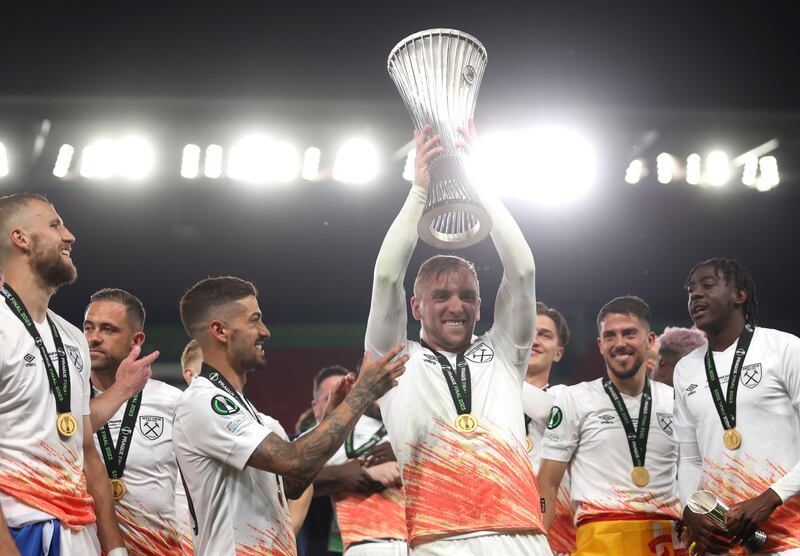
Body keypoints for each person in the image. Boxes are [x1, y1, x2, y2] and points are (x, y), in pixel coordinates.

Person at [365, 122, 550, 555]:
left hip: (522, 539)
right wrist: (418, 193)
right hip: (438, 541)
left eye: (468, 296)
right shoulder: (394, 360)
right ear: (416, 308)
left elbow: (522, 271)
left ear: (480, 306)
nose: (456, 306)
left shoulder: (504, 354)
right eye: (441, 296)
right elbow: (387, 277)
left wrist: (480, 186)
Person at [173, 276, 406, 555]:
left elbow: (293, 484)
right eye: (254, 320)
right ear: (220, 331)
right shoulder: (203, 401)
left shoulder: (260, 420)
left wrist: (332, 416)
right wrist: (361, 395)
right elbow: (295, 462)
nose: (265, 331)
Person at [0, 193, 126, 555]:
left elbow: (85, 448)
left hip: (78, 534)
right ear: (19, 238)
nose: (69, 236)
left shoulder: (72, 337)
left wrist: (115, 548)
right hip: (20, 529)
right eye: (55, 225)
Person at [538, 296, 682, 555]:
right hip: (601, 539)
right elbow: (547, 484)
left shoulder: (675, 401)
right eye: (610, 336)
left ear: (650, 341)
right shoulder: (574, 399)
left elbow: (693, 472)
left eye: (629, 334)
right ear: (601, 345)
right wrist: (537, 547)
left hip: (668, 538)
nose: (620, 343)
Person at [676, 258, 800, 555]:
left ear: (740, 295)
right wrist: (688, 509)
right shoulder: (686, 369)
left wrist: (770, 498)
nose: (695, 294)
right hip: (723, 541)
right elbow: (690, 457)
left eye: (707, 285)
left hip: (789, 537)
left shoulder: (785, 349)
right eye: (691, 289)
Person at [83, 288, 194, 556]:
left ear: (136, 340)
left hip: (160, 547)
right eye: (88, 328)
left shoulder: (171, 401)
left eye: (108, 329)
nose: (94, 338)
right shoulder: (67, 402)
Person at [521, 302, 575, 554]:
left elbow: (545, 410)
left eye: (545, 335)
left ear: (558, 353)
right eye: (528, 332)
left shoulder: (566, 397)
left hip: (559, 532)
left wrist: (494, 369)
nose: (535, 340)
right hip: (500, 521)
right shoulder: (488, 400)